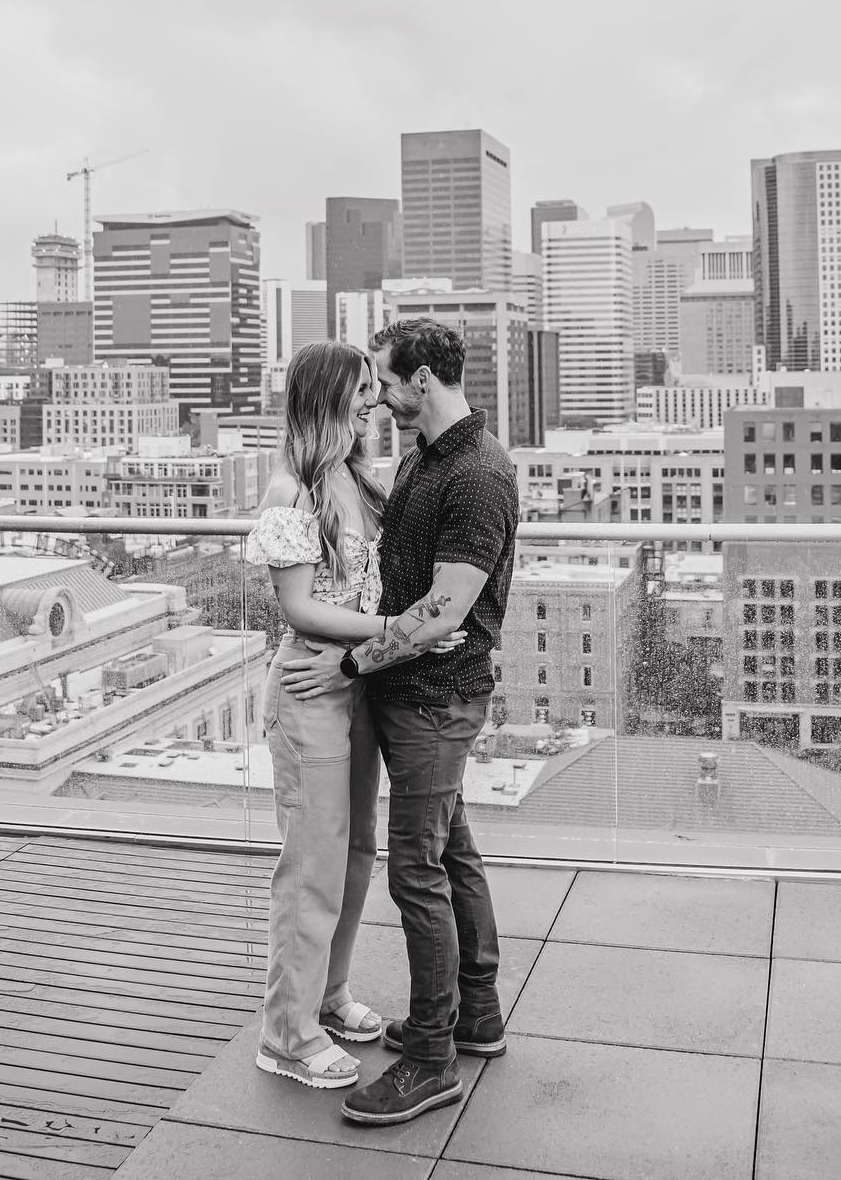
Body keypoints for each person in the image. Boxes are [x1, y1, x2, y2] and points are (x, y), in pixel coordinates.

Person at [281, 316, 519, 1127]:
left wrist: (349, 662)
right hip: (412, 693)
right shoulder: (426, 457)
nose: (378, 396)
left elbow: (442, 608)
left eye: (385, 381)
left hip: (435, 698)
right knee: (451, 853)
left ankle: (430, 1059)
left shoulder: (478, 474)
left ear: (422, 380)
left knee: (415, 871)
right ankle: (473, 1017)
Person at [247, 340, 462, 1090]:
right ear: (330, 396)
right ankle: (287, 1033)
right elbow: (301, 606)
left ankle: (328, 997)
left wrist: (395, 632)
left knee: (357, 852)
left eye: (377, 390)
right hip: (311, 689)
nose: (374, 403)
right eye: (364, 391)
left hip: (355, 683)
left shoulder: (352, 477)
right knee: (312, 866)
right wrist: (404, 627)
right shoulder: (292, 490)